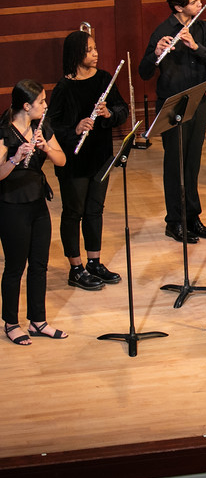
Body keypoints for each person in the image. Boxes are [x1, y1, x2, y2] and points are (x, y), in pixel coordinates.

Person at [140, 0, 206, 243]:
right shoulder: (162, 30)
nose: (200, 4)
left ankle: (192, 217)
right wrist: (156, 52)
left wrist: (195, 47)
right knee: (175, 164)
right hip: (172, 104)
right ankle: (174, 221)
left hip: (197, 101)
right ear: (178, 7)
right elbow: (144, 72)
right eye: (194, 2)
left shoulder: (203, 28)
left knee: (193, 161)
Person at [49, 30, 130, 290]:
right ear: (76, 55)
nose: (96, 53)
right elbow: (50, 127)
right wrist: (74, 129)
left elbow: (123, 110)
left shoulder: (104, 79)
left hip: (100, 157)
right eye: (89, 50)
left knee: (95, 209)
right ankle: (76, 268)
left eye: (96, 48)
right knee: (74, 212)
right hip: (74, 161)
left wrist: (109, 113)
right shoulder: (64, 88)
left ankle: (94, 262)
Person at [1, 80, 69, 346]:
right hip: (11, 205)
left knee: (39, 264)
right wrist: (15, 158)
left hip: (37, 202)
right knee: (15, 266)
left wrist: (46, 148)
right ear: (26, 106)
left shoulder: (42, 127)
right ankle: (10, 323)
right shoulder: (5, 132)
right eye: (41, 101)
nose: (45, 105)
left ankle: (38, 321)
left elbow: (62, 160)